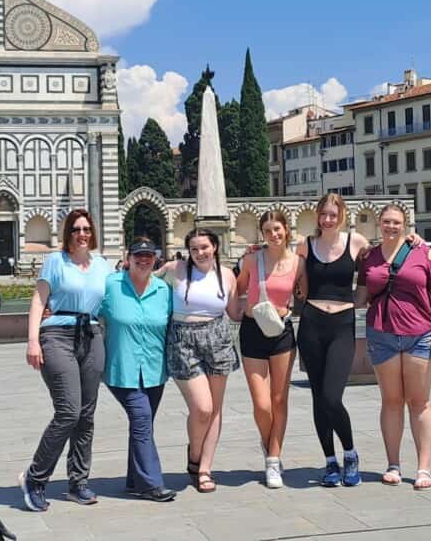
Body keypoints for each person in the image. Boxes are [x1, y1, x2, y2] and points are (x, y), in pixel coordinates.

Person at [20, 209, 111, 512]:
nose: (82, 234)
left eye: (86, 229)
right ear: (68, 233)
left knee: (86, 415)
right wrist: (33, 340)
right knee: (68, 412)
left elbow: (116, 298)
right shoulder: (55, 261)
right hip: (57, 334)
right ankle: (35, 478)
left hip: (92, 335)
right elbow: (38, 300)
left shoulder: (102, 265)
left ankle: (78, 483)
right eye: (76, 229)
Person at [355, 204, 431, 490]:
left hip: (419, 333)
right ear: (378, 224)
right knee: (391, 401)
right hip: (382, 333)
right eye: (386, 222)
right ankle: (393, 464)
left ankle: (424, 468)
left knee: (419, 401)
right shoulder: (368, 257)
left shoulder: (424, 253)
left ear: (405, 224)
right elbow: (360, 295)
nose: (391, 227)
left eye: (396, 222)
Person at [154, 228, 239, 494]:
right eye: (194, 249)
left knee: (215, 409)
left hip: (218, 337)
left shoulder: (227, 275)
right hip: (183, 340)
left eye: (204, 247)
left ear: (215, 246)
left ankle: (204, 468)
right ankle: (194, 455)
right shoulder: (175, 268)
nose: (200, 253)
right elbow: (141, 280)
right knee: (202, 408)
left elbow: (235, 312)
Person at [295, 194, 369, 487]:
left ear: (342, 215)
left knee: (331, 397)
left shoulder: (357, 242)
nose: (328, 219)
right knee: (317, 397)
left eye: (333, 214)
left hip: (342, 324)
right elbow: (289, 273)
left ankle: (350, 452)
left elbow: (380, 260)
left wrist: (413, 241)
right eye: (324, 214)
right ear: (317, 215)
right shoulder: (306, 245)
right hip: (312, 323)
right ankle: (330, 461)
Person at [102, 238, 176, 502]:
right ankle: (151, 484)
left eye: (148, 255)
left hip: (155, 369)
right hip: (121, 369)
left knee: (142, 424)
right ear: (128, 257)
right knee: (142, 418)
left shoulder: (163, 290)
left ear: (156, 258)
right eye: (138, 255)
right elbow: (87, 309)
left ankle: (134, 479)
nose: (143, 259)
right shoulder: (111, 285)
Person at [232, 211, 302, 489]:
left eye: (277, 229)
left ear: (286, 230)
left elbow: (303, 294)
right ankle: (269, 443)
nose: (273, 235)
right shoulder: (251, 259)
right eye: (268, 230)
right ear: (262, 234)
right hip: (252, 330)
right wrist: (236, 312)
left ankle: (273, 459)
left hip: (281, 331)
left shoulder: (299, 263)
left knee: (279, 400)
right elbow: (235, 288)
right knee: (261, 404)